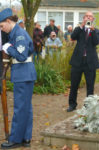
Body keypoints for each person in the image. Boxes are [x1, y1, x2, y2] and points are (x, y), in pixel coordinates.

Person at [0, 8, 36, 149]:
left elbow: (21, 56)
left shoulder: (19, 34)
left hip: (23, 74)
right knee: (26, 108)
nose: (2, 29)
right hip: (24, 74)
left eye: (2, 26)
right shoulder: (16, 33)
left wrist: (9, 49)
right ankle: (25, 138)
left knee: (20, 107)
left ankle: (15, 139)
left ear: (9, 21)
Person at [67, 11, 99, 112]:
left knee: (90, 86)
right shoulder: (79, 29)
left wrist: (92, 30)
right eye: (86, 16)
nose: (88, 18)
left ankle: (88, 106)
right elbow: (73, 37)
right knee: (74, 85)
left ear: (93, 19)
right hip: (78, 61)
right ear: (83, 18)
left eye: (90, 16)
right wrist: (82, 26)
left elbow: (96, 42)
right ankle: (72, 104)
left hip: (90, 62)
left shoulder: (96, 31)